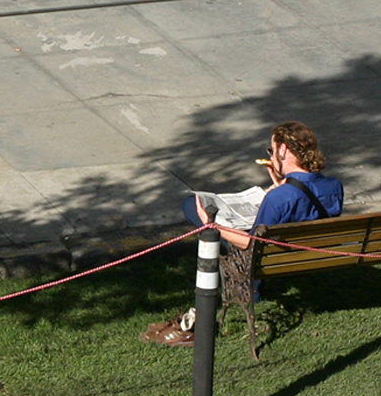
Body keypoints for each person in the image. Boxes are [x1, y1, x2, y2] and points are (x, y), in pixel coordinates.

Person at [147, 121, 343, 346]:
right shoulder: (334, 186)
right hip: (306, 254)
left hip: (266, 259)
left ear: (283, 151)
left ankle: (252, 290)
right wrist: (282, 185)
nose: (271, 155)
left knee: (192, 206)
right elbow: (305, 210)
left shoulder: (279, 198)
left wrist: (211, 225)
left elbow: (250, 244)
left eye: (272, 150)